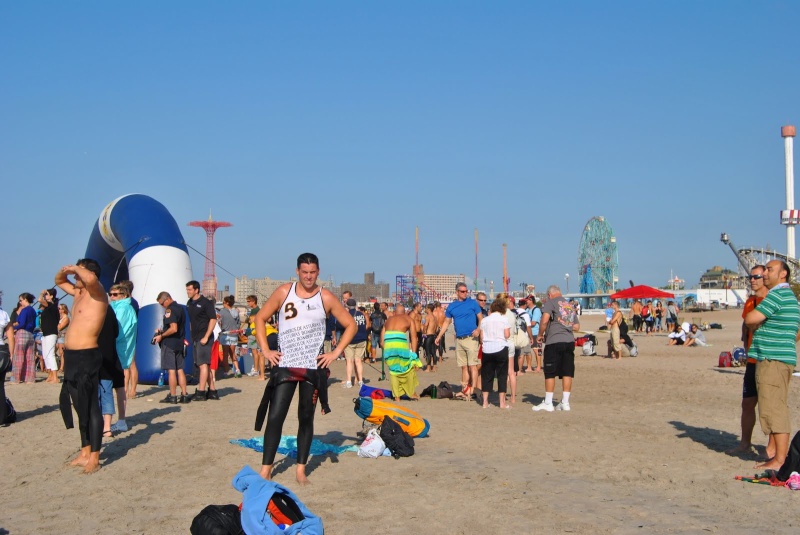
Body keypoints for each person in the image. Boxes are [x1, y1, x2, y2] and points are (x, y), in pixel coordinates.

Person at [254, 253, 356, 485]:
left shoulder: (326, 297)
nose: (308, 277)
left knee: (306, 417)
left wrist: (335, 352)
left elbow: (349, 324)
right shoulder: (283, 292)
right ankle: (266, 469)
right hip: (285, 364)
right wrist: (265, 350)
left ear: (318, 272)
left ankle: (300, 470)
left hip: (312, 368)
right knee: (276, 416)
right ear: (297, 271)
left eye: (312, 273)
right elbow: (260, 318)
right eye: (304, 272)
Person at [744, 259, 800, 470]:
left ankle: (779, 458)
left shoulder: (777, 295)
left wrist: (758, 324)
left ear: (783, 274)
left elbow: (750, 318)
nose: (765, 273)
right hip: (781, 359)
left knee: (774, 409)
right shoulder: (790, 298)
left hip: (772, 360)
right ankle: (778, 455)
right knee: (776, 406)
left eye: (770, 270)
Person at [55, 259, 108, 474]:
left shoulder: (98, 292)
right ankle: (85, 451)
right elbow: (59, 281)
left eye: (77, 275)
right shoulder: (78, 293)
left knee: (91, 406)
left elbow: (91, 278)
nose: (74, 278)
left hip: (88, 356)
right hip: (72, 356)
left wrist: (78, 269)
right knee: (78, 405)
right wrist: (65, 269)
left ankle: (95, 456)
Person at [728, 265, 767, 455]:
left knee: (769, 406)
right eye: (750, 276)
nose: (752, 280)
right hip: (752, 359)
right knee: (747, 403)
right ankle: (745, 443)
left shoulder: (773, 300)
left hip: (768, 360)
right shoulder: (750, 302)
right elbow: (746, 325)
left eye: (756, 276)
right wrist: (745, 345)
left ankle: (773, 449)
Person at [533, 285, 579, 412]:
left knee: (550, 372)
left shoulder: (550, 303)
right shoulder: (569, 305)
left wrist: (540, 335)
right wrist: (565, 324)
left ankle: (548, 402)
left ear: (550, 294)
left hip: (554, 341)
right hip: (569, 341)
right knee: (567, 371)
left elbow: (544, 320)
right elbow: (576, 326)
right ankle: (565, 402)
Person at [435, 283, 482, 398]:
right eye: (462, 291)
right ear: (457, 292)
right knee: (463, 366)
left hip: (471, 338)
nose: (465, 293)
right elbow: (447, 322)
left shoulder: (472, 303)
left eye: (466, 291)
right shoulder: (452, 306)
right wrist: (439, 336)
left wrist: (478, 330)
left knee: (473, 365)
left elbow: (481, 318)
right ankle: (465, 389)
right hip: (459, 339)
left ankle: (473, 390)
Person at [153, 292, 191, 404]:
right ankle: (184, 394)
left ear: (167, 299)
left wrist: (161, 335)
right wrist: (163, 331)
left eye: (162, 303)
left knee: (171, 371)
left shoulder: (170, 310)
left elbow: (173, 328)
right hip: (180, 342)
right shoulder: (180, 308)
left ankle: (173, 395)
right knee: (180, 370)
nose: (162, 306)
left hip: (169, 344)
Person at [108, 284, 137, 432]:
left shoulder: (123, 309)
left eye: (115, 294)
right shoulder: (118, 307)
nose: (111, 297)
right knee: (117, 388)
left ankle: (119, 421)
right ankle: (119, 420)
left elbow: (117, 331)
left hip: (118, 352)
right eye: (110, 294)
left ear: (124, 295)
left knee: (116, 388)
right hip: (118, 351)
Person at [382, 304, 422, 401]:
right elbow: (413, 337)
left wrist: (387, 352)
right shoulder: (408, 319)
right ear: (404, 312)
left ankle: (397, 397)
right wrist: (414, 354)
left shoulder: (388, 320)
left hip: (388, 344)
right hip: (400, 343)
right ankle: (411, 393)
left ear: (395, 312)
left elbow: (381, 341)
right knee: (408, 368)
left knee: (393, 371)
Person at [186, 280, 218, 401]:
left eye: (189, 290)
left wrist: (206, 336)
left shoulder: (206, 303)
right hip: (195, 337)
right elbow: (191, 321)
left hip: (204, 338)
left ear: (196, 290)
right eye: (187, 290)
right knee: (203, 365)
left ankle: (201, 391)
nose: (188, 292)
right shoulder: (189, 303)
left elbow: (213, 319)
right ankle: (213, 391)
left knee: (203, 365)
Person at [479, 297, 510, 409]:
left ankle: (485, 402)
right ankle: (502, 403)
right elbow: (507, 335)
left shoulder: (485, 320)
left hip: (487, 349)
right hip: (500, 347)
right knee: (502, 375)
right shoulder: (504, 319)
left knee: (487, 375)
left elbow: (481, 337)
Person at [118, 280, 139, 398]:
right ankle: (126, 389)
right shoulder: (130, 303)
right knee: (126, 364)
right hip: (125, 335)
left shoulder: (131, 303)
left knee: (131, 363)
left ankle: (132, 390)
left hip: (130, 335)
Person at [11, 293, 36, 384]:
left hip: (22, 333)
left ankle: (16, 379)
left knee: (18, 356)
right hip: (30, 334)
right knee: (30, 357)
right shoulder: (33, 310)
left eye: (20, 300)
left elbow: (21, 323)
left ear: (25, 299)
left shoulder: (24, 310)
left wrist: (13, 329)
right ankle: (29, 378)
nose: (20, 302)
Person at [343, 298, 367, 388]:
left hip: (350, 340)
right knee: (358, 361)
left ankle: (349, 381)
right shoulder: (361, 314)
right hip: (361, 339)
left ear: (347, 306)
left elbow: (342, 326)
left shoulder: (347, 314)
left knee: (349, 361)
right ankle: (360, 381)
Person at [37, 288, 60, 384]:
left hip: (51, 333)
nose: (45, 296)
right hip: (45, 333)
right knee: (45, 354)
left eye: (47, 294)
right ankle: (50, 374)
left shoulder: (52, 306)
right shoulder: (47, 308)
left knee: (50, 354)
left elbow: (39, 300)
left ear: (51, 296)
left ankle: (55, 376)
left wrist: (41, 293)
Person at [219, 295, 242, 377]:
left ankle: (226, 371)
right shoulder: (236, 312)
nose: (223, 304)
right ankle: (237, 370)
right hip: (234, 334)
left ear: (227, 303)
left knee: (225, 354)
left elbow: (219, 321)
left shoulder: (222, 311)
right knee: (232, 353)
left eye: (223, 302)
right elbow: (239, 323)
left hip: (225, 334)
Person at [0, 294, 15, 424]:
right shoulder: (4, 314)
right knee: (1, 386)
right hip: (2, 352)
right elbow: (11, 337)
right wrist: (11, 354)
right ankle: (2, 417)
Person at [245, 295, 263, 378]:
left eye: (249, 301)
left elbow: (251, 321)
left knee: (255, 352)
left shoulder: (255, 311)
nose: (247, 303)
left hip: (253, 333)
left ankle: (256, 369)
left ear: (253, 301)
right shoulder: (257, 310)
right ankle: (257, 369)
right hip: (254, 333)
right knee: (256, 352)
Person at [528, 297, 543, 372]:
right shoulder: (528, 310)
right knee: (534, 350)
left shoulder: (536, 310)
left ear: (531, 301)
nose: (526, 302)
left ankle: (539, 366)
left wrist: (526, 325)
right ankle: (534, 366)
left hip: (536, 332)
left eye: (527, 300)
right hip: (531, 332)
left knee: (537, 350)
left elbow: (533, 323)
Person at [422, 303, 438, 372]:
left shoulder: (427, 316)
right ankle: (434, 367)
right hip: (434, 335)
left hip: (428, 336)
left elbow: (425, 325)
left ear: (428, 309)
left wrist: (423, 332)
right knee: (433, 352)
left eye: (426, 308)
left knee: (428, 352)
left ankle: (428, 368)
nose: (425, 309)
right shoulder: (435, 317)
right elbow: (436, 328)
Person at [56, 303, 70, 376]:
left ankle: (62, 367)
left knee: (62, 353)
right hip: (58, 336)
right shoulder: (60, 318)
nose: (58, 310)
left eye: (59, 308)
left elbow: (60, 327)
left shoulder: (66, 318)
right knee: (55, 351)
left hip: (63, 336)